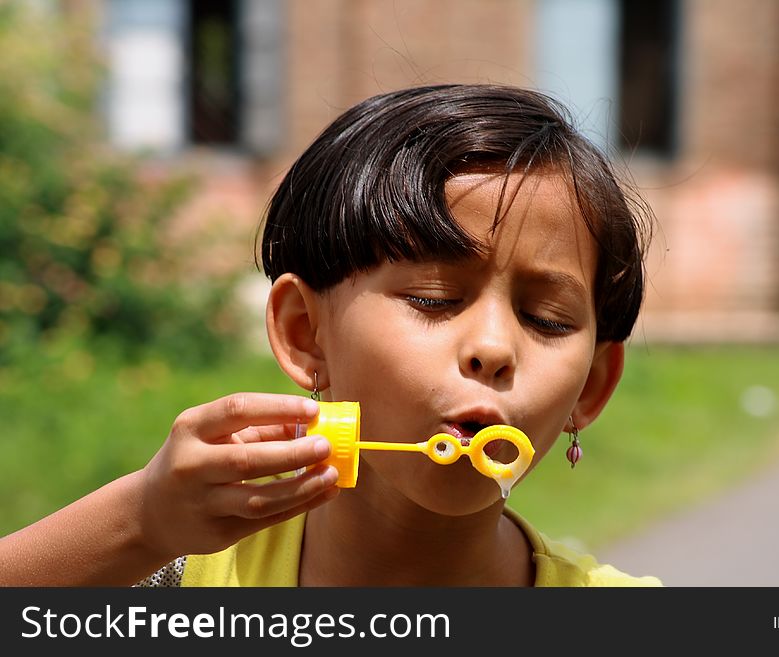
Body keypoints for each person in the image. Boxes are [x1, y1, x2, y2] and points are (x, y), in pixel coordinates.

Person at [0, 84, 660, 587]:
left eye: (547, 318)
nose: (493, 347)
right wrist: (143, 520)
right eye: (434, 297)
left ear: (592, 386)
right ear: (304, 333)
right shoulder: (189, 580)